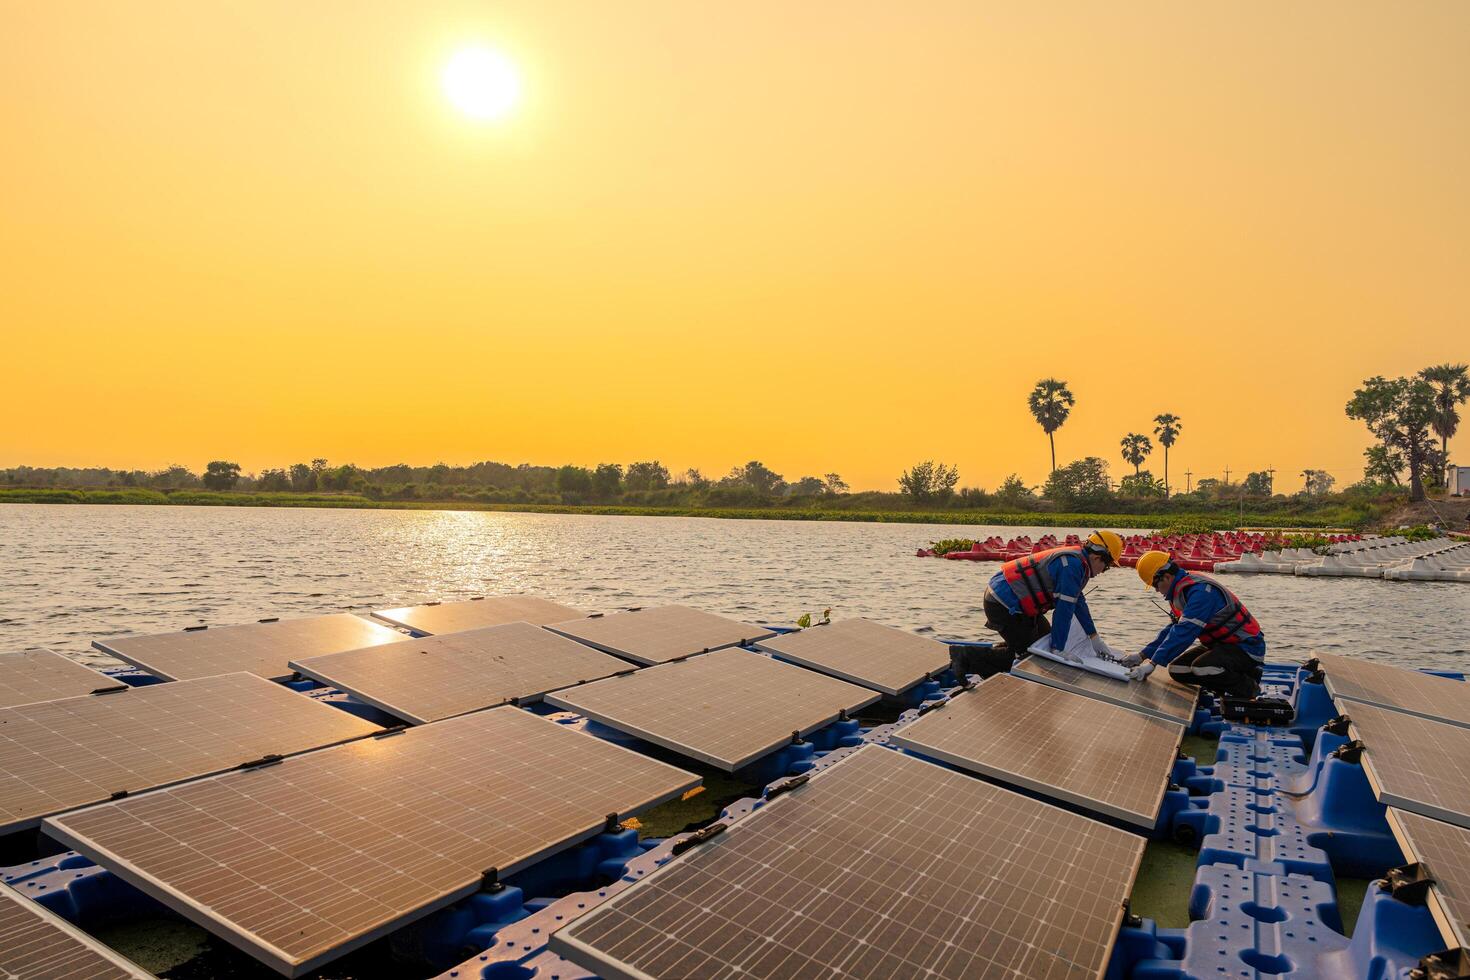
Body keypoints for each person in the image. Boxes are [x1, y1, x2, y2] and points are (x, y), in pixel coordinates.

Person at [968, 531, 1124, 673]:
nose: (1103, 572)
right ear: (1097, 557)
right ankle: (965, 656)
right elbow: (1064, 610)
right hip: (1003, 602)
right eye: (1106, 567)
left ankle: (1007, 650)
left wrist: (1094, 637)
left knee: (1042, 640)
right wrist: (1058, 650)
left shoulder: (1079, 562)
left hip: (1011, 598)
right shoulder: (1072, 566)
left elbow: (1078, 603)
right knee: (1032, 656)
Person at [1121, 550, 1265, 698]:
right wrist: (1142, 655)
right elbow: (1173, 630)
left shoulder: (1201, 593)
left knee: (1202, 667)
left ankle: (1250, 687)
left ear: (1167, 577)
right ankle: (1221, 683)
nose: (1157, 590)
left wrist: (1152, 664)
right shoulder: (1180, 591)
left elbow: (1185, 632)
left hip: (1246, 648)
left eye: (1155, 585)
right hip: (1220, 646)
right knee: (1177, 670)